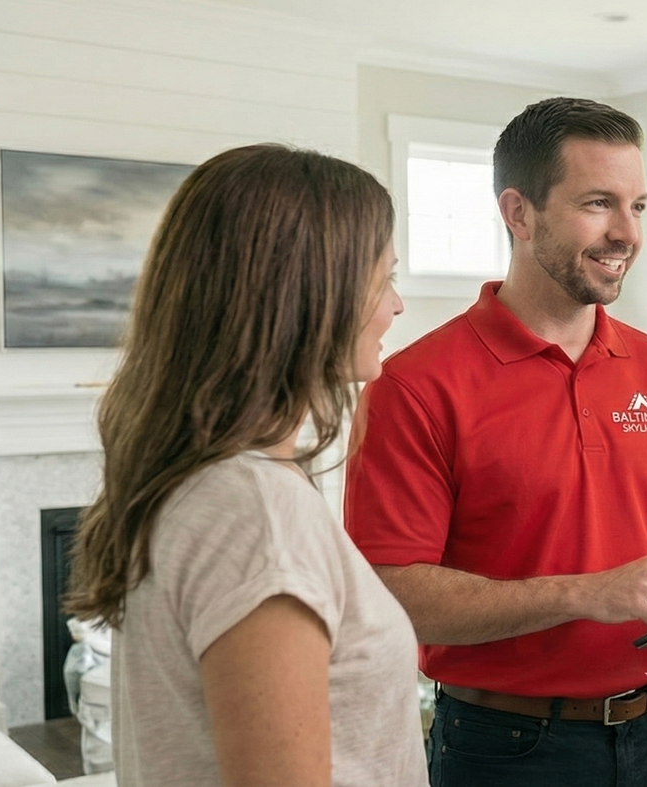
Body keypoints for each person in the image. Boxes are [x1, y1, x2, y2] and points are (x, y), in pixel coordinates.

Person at [344, 96, 647, 787]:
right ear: (519, 213)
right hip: (506, 746)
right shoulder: (415, 385)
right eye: (597, 203)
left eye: (638, 206)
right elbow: (392, 591)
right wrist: (585, 593)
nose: (626, 233)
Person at [64, 144, 425, 787]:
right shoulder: (255, 510)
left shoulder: (200, 481)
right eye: (384, 277)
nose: (397, 306)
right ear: (310, 292)